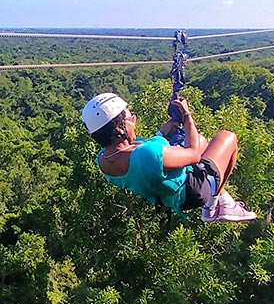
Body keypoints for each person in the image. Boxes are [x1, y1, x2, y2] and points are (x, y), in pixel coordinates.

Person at [82, 92, 256, 222]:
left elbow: (141, 152)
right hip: (193, 189)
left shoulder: (104, 160)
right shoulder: (147, 155)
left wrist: (161, 133)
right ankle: (214, 204)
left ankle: (222, 202)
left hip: (169, 198)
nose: (134, 121)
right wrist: (187, 116)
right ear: (120, 128)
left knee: (202, 141)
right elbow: (194, 154)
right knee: (228, 138)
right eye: (130, 118)